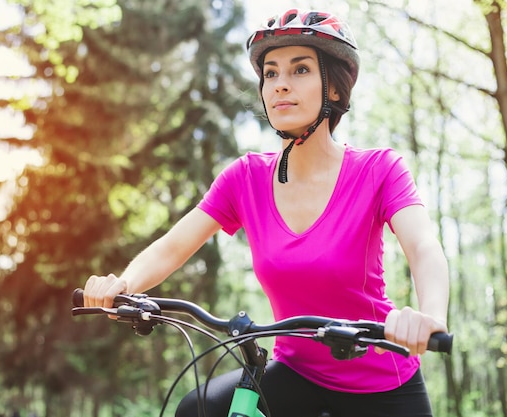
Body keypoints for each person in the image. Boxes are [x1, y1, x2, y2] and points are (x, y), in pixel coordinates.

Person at [83, 9, 449, 417]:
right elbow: (172, 247)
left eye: (300, 70)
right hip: (296, 374)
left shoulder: (379, 169)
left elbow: (422, 246)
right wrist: (123, 285)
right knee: (198, 409)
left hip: (381, 381)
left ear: (334, 89)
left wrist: (430, 316)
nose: (280, 85)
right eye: (271, 74)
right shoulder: (245, 178)